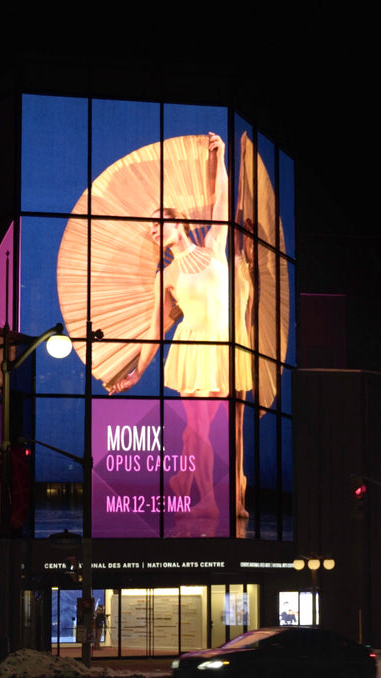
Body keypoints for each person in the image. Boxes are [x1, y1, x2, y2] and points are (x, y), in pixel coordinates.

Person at [112, 133, 250, 534]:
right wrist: (137, 373)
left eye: (160, 222)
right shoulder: (166, 275)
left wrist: (221, 157)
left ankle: (231, 494)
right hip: (193, 348)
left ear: (178, 221)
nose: (155, 230)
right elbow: (155, 330)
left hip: (228, 345)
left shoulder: (214, 245)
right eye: (152, 228)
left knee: (233, 428)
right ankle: (206, 501)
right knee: (199, 429)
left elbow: (222, 200)